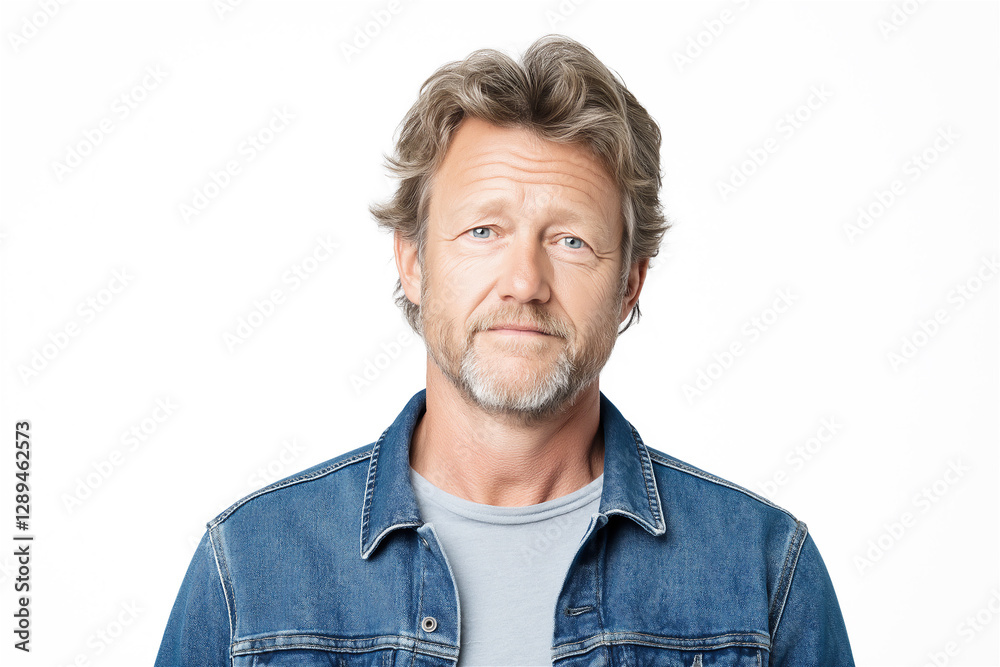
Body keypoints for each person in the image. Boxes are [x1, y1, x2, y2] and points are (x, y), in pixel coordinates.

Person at [155, 34, 855, 667]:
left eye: (570, 240)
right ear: (413, 262)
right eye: (484, 231)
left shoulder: (763, 573)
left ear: (629, 284)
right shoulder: (249, 569)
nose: (524, 282)